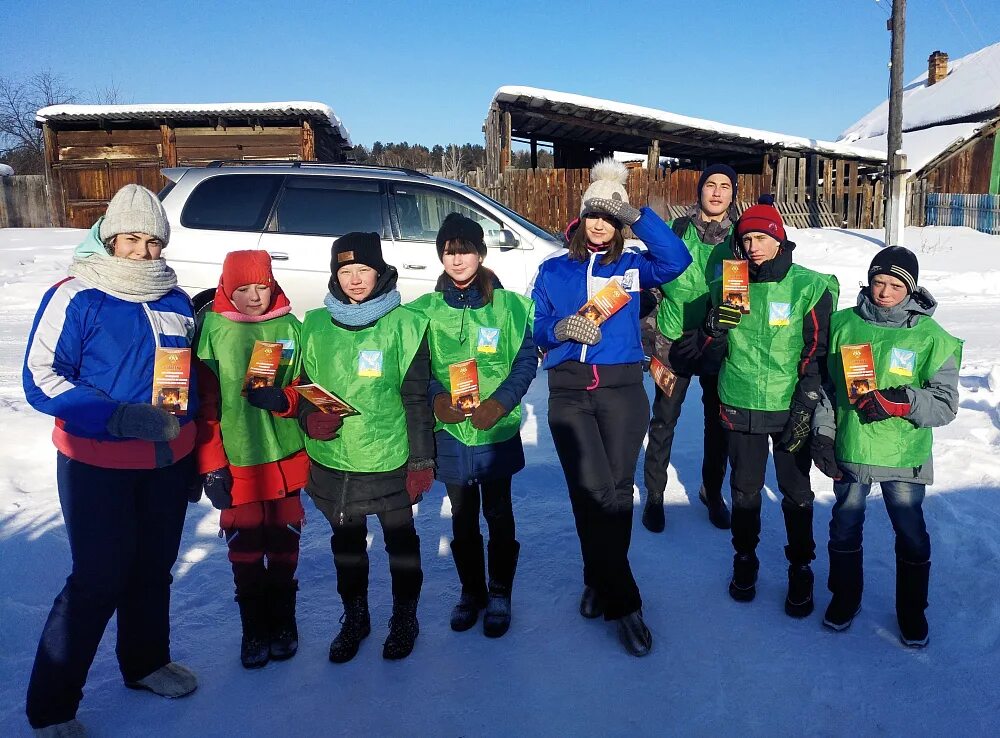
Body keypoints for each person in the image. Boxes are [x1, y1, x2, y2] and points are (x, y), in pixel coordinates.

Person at [22, 185, 199, 736]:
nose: (142, 252)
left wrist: (192, 453)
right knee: (99, 579)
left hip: (166, 462)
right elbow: (42, 377)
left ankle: (144, 663)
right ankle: (52, 707)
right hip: (97, 462)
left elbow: (187, 379)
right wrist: (116, 417)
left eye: (153, 242)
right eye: (131, 239)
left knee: (152, 570)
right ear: (108, 235)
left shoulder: (173, 298)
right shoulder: (77, 294)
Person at [532, 158, 692, 657]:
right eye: (593, 215)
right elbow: (535, 326)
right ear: (579, 219)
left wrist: (638, 215)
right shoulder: (554, 269)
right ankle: (625, 602)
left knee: (618, 493)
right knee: (591, 492)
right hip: (570, 392)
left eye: (609, 216)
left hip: (622, 391)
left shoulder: (632, 267)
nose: (599, 224)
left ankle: (597, 578)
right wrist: (558, 331)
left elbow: (678, 259)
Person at [292, 232, 434, 663]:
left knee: (400, 543)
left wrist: (422, 459)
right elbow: (300, 387)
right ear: (335, 274)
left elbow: (416, 397)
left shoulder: (406, 324)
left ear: (381, 272)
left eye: (363, 270)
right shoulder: (314, 324)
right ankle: (355, 616)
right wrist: (306, 418)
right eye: (345, 270)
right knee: (347, 546)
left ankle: (404, 617)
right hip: (335, 459)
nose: (355, 280)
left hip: (390, 454)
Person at [812, 247, 961, 647]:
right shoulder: (844, 324)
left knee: (910, 531)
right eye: (879, 282)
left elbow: (946, 404)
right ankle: (845, 597)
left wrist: (901, 401)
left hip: (903, 455)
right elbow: (829, 388)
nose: (885, 292)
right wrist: (824, 432)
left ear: (911, 289)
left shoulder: (932, 338)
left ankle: (911, 611)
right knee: (844, 526)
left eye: (896, 285)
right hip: (853, 446)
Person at [699, 195, 838, 617]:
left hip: (789, 406)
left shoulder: (808, 286)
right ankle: (745, 558)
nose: (754, 246)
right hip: (740, 402)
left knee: (796, 491)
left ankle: (801, 565)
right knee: (744, 490)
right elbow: (709, 353)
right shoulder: (730, 282)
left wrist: (805, 406)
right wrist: (713, 327)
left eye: (761, 237)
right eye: (747, 239)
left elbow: (817, 353)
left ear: (778, 238)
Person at [410, 213, 537, 638]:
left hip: (495, 429)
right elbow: (419, 366)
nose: (457, 258)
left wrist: (501, 403)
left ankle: (500, 590)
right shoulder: (425, 311)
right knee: (462, 516)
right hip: (451, 431)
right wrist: (437, 399)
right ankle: (472, 591)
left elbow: (524, 361)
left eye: (465, 250)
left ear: (481, 254)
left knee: (498, 512)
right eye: (449, 251)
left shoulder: (509, 307)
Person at [193, 251, 309, 668]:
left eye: (262, 286)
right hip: (237, 459)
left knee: (284, 538)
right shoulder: (212, 331)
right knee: (245, 544)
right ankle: (253, 626)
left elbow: (308, 387)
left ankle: (283, 621)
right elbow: (203, 403)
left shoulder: (292, 326)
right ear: (227, 288)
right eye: (243, 289)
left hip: (286, 455)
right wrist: (209, 463)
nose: (254, 296)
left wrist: (288, 399)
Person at [642, 163, 739, 533]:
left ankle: (711, 492)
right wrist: (649, 334)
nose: (716, 192)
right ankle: (654, 494)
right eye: (710, 185)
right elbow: (652, 282)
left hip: (719, 344)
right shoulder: (676, 230)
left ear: (732, 194)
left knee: (719, 424)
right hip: (672, 341)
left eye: (724, 186)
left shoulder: (741, 237)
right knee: (664, 419)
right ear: (699, 191)